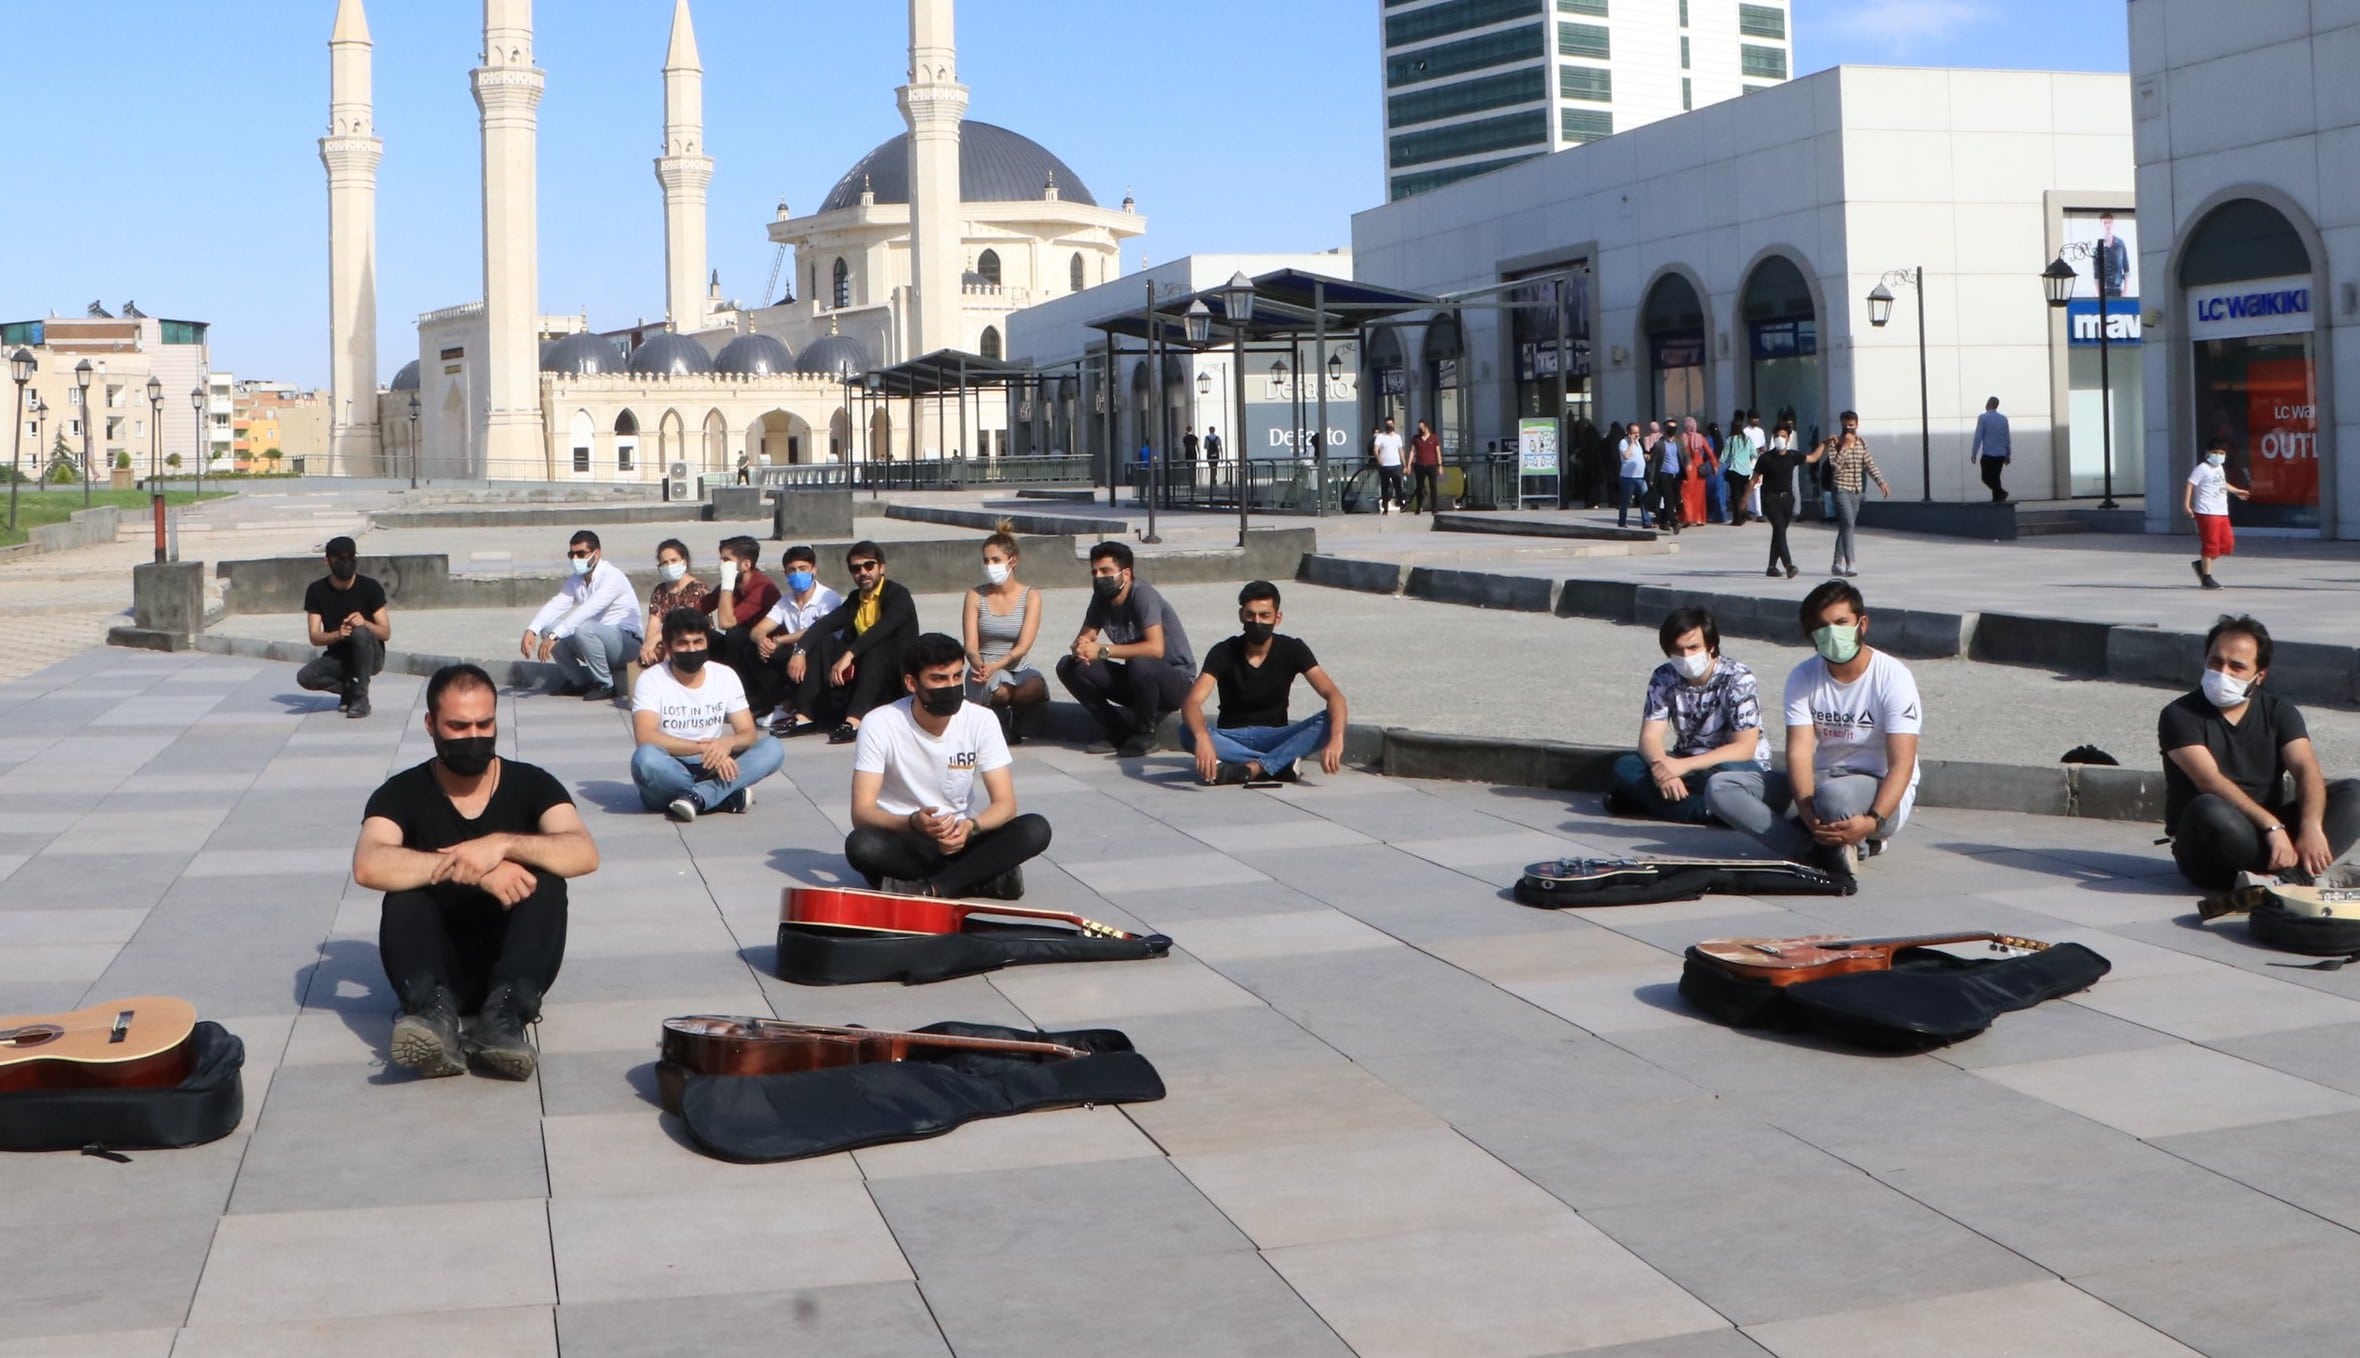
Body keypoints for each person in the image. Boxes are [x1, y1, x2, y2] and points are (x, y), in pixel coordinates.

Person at [352, 663, 600, 1080]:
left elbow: (583, 852)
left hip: (512, 964)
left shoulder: (533, 785)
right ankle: (432, 1016)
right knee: (404, 892)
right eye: (459, 726)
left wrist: (501, 846)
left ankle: (502, 1021)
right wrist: (469, 869)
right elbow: (368, 863)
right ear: (431, 725)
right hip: (435, 966)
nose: (473, 737)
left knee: (547, 881)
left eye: (484, 724)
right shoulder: (401, 793)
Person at [1706, 580, 1922, 885]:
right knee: (1720, 787)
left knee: (1833, 799)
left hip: (1877, 791)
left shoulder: (1893, 677)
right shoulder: (1803, 676)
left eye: (1841, 622)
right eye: (1822, 627)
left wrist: (1874, 820)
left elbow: (1902, 764)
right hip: (1823, 781)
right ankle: (1809, 849)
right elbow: (1799, 751)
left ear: (1862, 624)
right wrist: (1805, 807)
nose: (1832, 633)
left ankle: (1862, 839)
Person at [846, 632, 1053, 899]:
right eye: (939, 679)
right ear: (912, 683)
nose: (951, 687)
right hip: (907, 836)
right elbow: (862, 812)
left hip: (962, 836)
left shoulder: (981, 720)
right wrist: (912, 822)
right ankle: (979, 879)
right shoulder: (880, 723)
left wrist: (970, 827)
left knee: (1036, 828)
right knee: (861, 846)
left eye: (957, 677)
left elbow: (1005, 805)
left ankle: (931, 888)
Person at [2160, 614, 2360, 889]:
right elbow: (2210, 780)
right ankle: (2290, 876)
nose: (2223, 673)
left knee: (2354, 794)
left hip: (2272, 837)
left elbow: (2305, 768)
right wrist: (2272, 826)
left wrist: (2311, 826)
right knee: (2208, 808)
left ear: (2259, 675)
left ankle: (2286, 878)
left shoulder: (2279, 711)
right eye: (2215, 662)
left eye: (2237, 667)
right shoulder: (2179, 715)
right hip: (2215, 842)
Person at [1606, 607, 1772, 823]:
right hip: (1686, 763)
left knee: (1722, 779)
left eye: (1693, 647)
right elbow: (1649, 737)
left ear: (1711, 645)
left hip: (1733, 766)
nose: (1686, 656)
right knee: (1626, 767)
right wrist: (1662, 768)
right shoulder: (1663, 676)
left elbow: (1744, 748)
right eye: (1678, 650)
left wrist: (1683, 767)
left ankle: (1657, 805)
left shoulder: (1738, 677)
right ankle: (1709, 812)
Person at [1181, 580, 1349, 787]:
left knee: (1332, 720)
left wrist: (1337, 738)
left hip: (1276, 735)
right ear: (1241, 615)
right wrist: (1203, 738)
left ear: (1277, 618)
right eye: (1250, 615)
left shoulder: (1293, 649)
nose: (1257, 622)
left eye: (1264, 615)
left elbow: (1334, 696)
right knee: (1187, 732)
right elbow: (1191, 703)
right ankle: (1280, 763)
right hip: (1232, 736)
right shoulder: (1223, 651)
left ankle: (1252, 768)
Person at [629, 608, 783, 822]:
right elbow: (646, 737)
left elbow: (748, 734)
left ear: (707, 643)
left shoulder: (725, 675)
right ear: (668, 648)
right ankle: (723, 795)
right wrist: (704, 748)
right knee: (645, 759)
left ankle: (699, 796)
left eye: (698, 642)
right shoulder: (651, 680)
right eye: (683, 643)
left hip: (714, 766)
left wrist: (727, 743)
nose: (691, 649)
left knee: (773, 748)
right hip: (670, 766)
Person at [1057, 540, 1197, 757]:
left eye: (1106, 571)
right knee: (1069, 666)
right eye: (1094, 572)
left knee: (1140, 661)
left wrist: (1102, 650)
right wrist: (1080, 649)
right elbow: (1085, 637)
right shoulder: (1101, 599)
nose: (1099, 578)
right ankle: (1118, 732)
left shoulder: (1142, 595)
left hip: (1175, 682)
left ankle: (1145, 733)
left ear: (1126, 574)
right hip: (1139, 681)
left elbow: (1155, 649)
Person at [791, 540, 918, 743]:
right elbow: (826, 624)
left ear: (881, 567)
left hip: (893, 671)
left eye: (869, 566)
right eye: (856, 568)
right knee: (824, 643)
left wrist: (849, 655)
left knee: (876, 648)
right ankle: (805, 716)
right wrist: (800, 650)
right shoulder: (855, 599)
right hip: (863, 668)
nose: (863, 572)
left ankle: (854, 722)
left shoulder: (898, 595)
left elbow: (882, 630)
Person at [522, 530, 641, 700]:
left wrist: (555, 636)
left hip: (626, 645)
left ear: (596, 553)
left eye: (581, 554)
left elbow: (588, 610)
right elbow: (557, 604)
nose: (575, 559)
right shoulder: (576, 579)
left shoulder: (612, 577)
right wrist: (531, 630)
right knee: (548, 627)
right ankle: (577, 682)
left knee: (583, 628)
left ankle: (606, 685)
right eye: (572, 554)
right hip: (595, 643)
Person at [962, 525, 1048, 744]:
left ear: (1013, 561)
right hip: (985, 666)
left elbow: (1023, 646)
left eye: (995, 560)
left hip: (1018, 667)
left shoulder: (1030, 596)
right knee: (999, 689)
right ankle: (1002, 715)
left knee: (1034, 686)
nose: (990, 566)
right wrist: (980, 664)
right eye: (986, 560)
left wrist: (999, 664)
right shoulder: (975, 595)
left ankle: (1009, 715)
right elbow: (971, 644)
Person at [750, 544, 842, 734]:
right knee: (755, 650)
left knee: (820, 644)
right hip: (796, 653)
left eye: (802, 569)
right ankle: (783, 704)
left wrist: (780, 640)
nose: (797, 574)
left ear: (813, 570)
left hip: (823, 654)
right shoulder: (786, 601)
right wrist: (762, 641)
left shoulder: (827, 597)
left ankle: (805, 712)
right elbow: (758, 629)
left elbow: (817, 629)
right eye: (792, 570)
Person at [296, 535, 390, 719]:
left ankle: (361, 697)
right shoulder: (316, 591)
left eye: (350, 558)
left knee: (360, 633)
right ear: (328, 561)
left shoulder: (370, 588)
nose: (345, 563)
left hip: (371, 656)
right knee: (306, 676)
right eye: (339, 559)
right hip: (339, 658)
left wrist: (365, 623)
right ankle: (350, 691)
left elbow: (385, 633)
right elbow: (315, 637)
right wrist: (338, 635)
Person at [703, 535, 781, 714]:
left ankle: (745, 696)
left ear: (746, 564)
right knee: (703, 635)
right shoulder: (731, 585)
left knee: (735, 635)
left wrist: (728, 583)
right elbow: (700, 608)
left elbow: (726, 622)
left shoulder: (762, 587)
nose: (721, 565)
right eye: (721, 559)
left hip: (761, 648)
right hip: (738, 647)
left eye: (727, 560)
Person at [1822, 411, 1890, 577]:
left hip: (1857, 490)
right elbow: (1835, 466)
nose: (1848, 429)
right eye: (1845, 426)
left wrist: (1881, 482)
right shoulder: (1835, 443)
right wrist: (1844, 446)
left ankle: (1836, 562)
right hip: (1840, 489)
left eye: (1851, 425)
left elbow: (1869, 464)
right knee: (1848, 524)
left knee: (1846, 526)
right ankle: (1850, 563)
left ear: (1857, 425)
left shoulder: (1861, 443)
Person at [1749, 417, 1817, 579]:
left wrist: (1824, 444)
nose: (1780, 438)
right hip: (1771, 499)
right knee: (1779, 530)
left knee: (1778, 532)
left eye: (1783, 436)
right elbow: (1753, 479)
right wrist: (1745, 499)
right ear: (1773, 437)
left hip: (1787, 500)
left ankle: (1771, 567)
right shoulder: (1765, 458)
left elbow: (1813, 458)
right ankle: (1789, 565)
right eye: (1777, 435)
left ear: (1788, 438)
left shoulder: (1792, 456)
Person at [636, 538, 712, 671]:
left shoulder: (697, 588)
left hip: (691, 638)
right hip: (668, 639)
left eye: (673, 561)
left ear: (684, 561)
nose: (669, 566)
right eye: (664, 563)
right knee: (650, 656)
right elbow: (653, 623)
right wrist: (649, 645)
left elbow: (691, 623)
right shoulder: (660, 591)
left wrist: (657, 640)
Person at [2187, 437, 2249, 591]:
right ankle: (2206, 578)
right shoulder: (2202, 468)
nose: (2218, 455)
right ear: (2208, 453)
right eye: (2215, 452)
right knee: (2211, 545)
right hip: (2207, 512)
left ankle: (2201, 564)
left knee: (2227, 545)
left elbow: (2221, 483)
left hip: (2221, 512)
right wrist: (2187, 505)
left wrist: (2236, 491)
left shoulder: (2219, 468)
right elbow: (2190, 485)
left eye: (2221, 453)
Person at [1972, 397, 2013, 503]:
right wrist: (2008, 454)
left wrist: (1974, 453)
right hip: (2000, 454)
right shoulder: (2003, 419)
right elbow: (2007, 437)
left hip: (1988, 454)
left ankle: (2001, 493)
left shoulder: (1983, 418)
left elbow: (1978, 437)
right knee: (1996, 477)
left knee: (1986, 478)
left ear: (1988, 404)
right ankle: (1997, 499)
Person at [1721, 410, 1757, 526]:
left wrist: (1718, 464)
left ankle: (1737, 518)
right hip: (1746, 471)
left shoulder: (1730, 440)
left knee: (1735, 495)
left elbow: (1724, 456)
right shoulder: (1747, 439)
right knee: (1743, 494)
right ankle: (1743, 514)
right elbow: (1754, 454)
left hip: (1734, 470)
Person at [1679, 417, 1717, 527]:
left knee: (1686, 494)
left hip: (1688, 468)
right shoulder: (1700, 438)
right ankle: (1700, 518)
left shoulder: (1682, 437)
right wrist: (1715, 465)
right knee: (1700, 496)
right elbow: (1710, 453)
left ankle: (1687, 517)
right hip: (1700, 468)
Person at [1650, 420, 1684, 534]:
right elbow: (1654, 462)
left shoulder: (1678, 443)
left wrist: (1687, 469)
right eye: (1670, 427)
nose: (1672, 430)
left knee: (1675, 500)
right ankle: (1675, 523)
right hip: (1664, 476)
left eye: (1674, 427)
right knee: (1669, 501)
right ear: (1665, 429)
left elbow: (1684, 458)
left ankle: (1663, 522)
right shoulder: (1659, 444)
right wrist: (1652, 478)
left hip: (1676, 476)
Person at [1616, 421, 1650, 529]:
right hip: (1628, 477)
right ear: (1628, 433)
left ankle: (1646, 521)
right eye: (1634, 433)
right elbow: (1626, 455)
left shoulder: (1639, 443)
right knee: (1626, 500)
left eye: (1638, 433)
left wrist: (1645, 457)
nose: (1637, 435)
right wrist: (1631, 442)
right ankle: (1622, 521)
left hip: (1640, 476)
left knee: (1644, 499)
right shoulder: (1623, 442)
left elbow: (1638, 456)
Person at [1407, 418, 1444, 514]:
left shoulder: (1434, 438)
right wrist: (1409, 464)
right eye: (1419, 427)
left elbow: (1438, 452)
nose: (1419, 429)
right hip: (1419, 465)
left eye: (1421, 427)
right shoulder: (1416, 438)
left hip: (1431, 465)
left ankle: (1434, 508)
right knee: (1419, 487)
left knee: (1433, 487)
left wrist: (1440, 465)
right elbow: (1412, 451)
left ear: (1426, 427)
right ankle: (1419, 506)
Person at [1370, 417, 1406, 514]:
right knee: (1385, 487)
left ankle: (1401, 504)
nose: (1389, 426)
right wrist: (1378, 458)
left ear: (1393, 425)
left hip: (1396, 465)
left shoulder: (1397, 437)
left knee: (1398, 486)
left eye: (1390, 424)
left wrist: (1405, 465)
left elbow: (1401, 451)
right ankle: (1385, 506)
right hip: (1384, 466)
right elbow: (1375, 449)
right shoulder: (1380, 436)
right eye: (1387, 424)